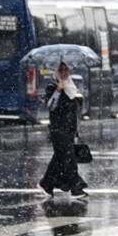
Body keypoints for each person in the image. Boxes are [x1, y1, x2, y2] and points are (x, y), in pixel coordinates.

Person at [39, 62, 87, 199]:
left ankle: (47, 183)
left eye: (66, 69)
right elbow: (51, 106)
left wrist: (76, 130)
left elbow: (75, 111)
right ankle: (76, 187)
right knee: (68, 159)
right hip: (58, 130)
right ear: (56, 71)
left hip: (69, 129)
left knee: (59, 159)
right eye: (61, 70)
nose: (64, 72)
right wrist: (58, 90)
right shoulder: (52, 86)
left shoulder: (71, 86)